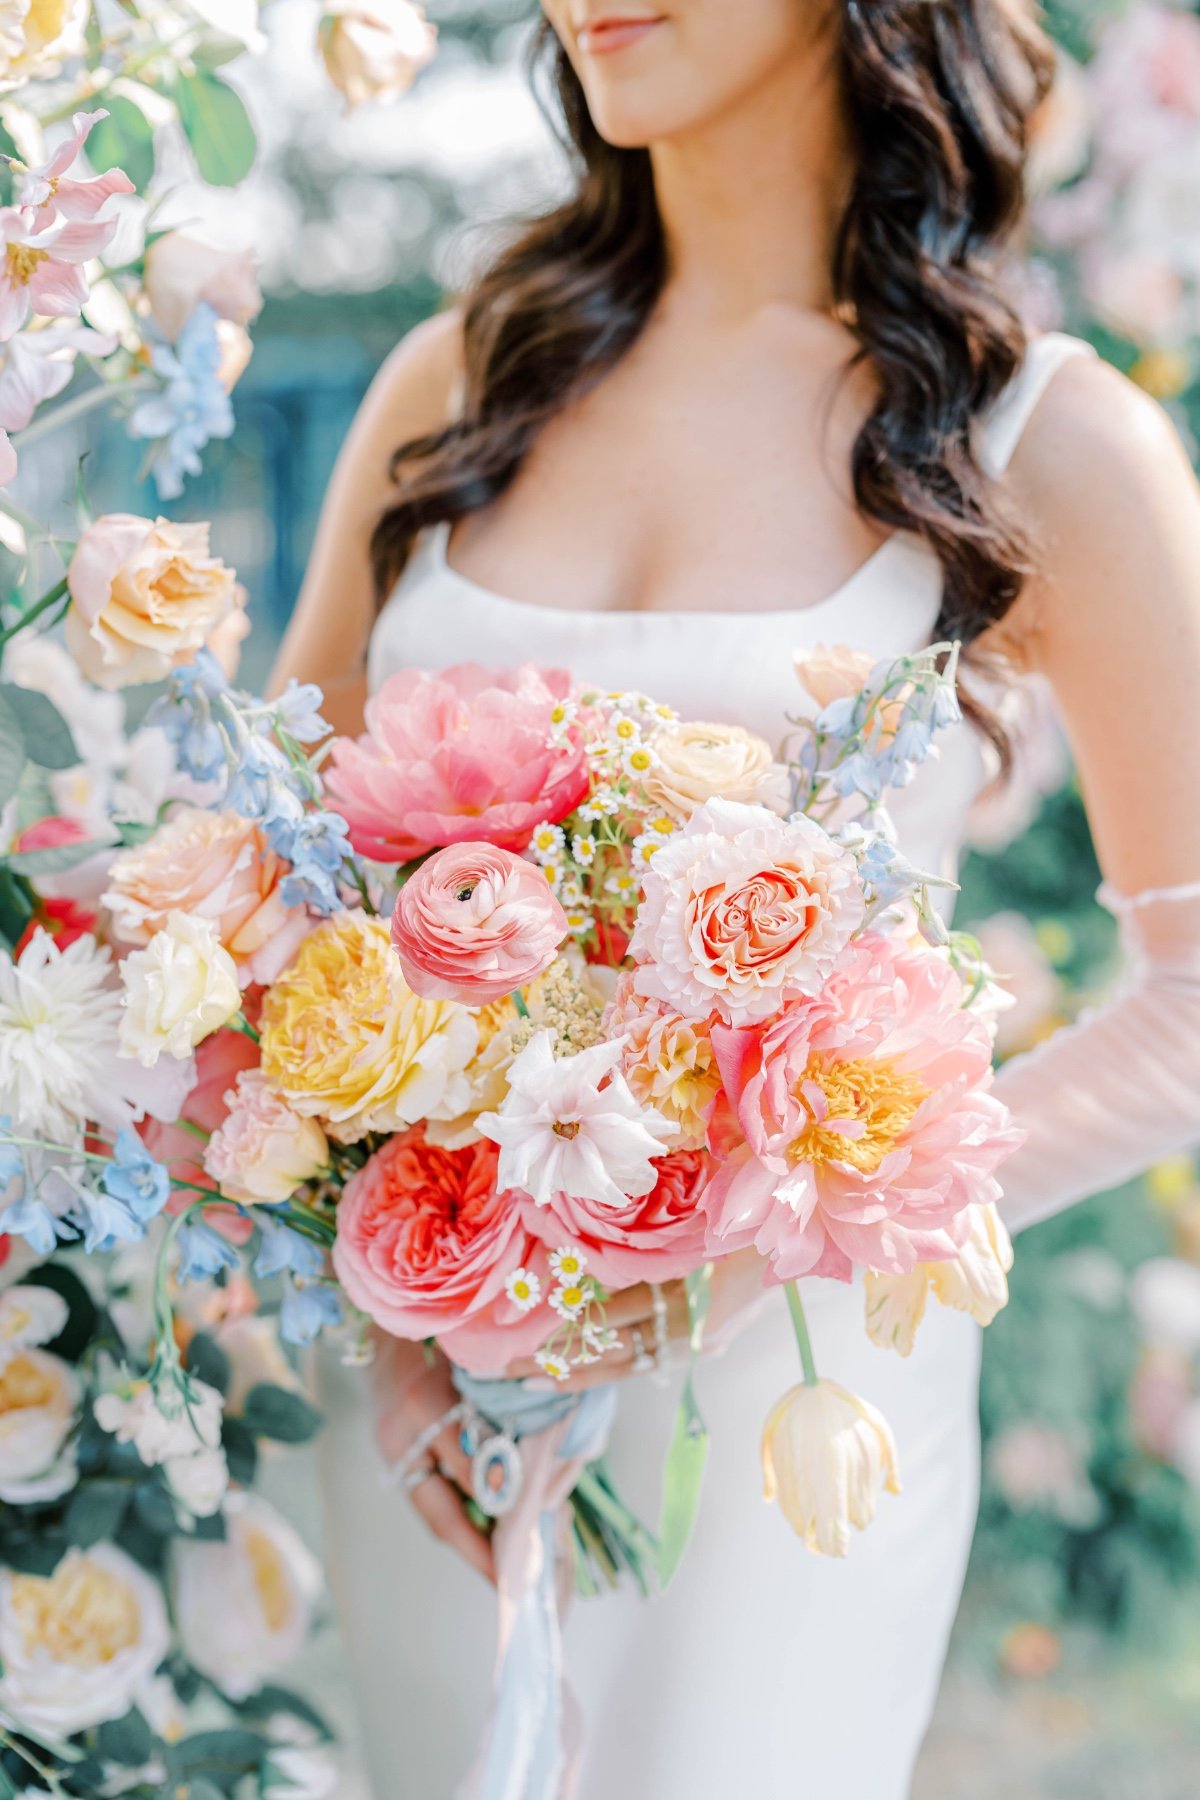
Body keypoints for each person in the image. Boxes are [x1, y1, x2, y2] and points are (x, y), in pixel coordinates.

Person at [270, 3, 1200, 1794]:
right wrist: (399, 1313)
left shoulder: (1047, 439)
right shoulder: (448, 382)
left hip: (793, 1412)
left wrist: (778, 1216)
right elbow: (280, 896)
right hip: (435, 1400)